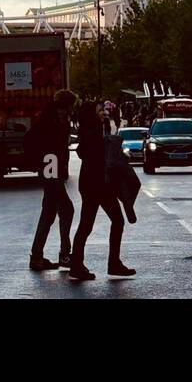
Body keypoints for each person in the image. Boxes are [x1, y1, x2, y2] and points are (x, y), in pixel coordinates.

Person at [69, 101, 135, 282]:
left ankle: (81, 264)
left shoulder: (94, 129)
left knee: (90, 224)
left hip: (94, 183)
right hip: (96, 183)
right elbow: (87, 153)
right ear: (92, 114)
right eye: (100, 110)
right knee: (95, 223)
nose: (103, 113)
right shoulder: (93, 131)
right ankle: (106, 263)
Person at [27, 88, 77, 272]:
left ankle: (37, 256)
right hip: (51, 165)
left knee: (49, 212)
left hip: (50, 165)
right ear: (66, 105)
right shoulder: (54, 120)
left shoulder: (50, 116)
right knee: (66, 209)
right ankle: (64, 254)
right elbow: (55, 146)